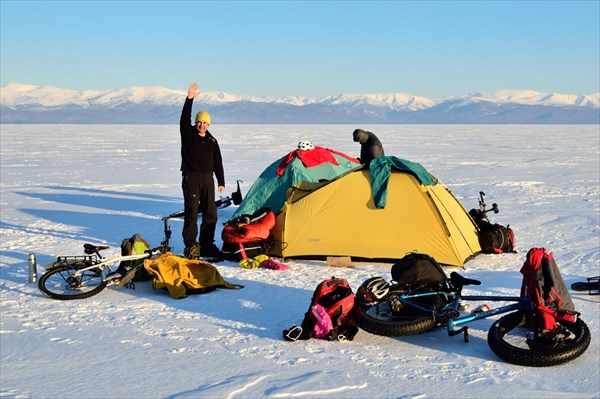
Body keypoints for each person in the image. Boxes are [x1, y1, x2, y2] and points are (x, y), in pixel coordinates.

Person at [179, 82, 225, 259]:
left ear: (208, 124)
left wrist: (221, 181)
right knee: (191, 212)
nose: (202, 125)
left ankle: (206, 245)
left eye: (205, 123)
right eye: (199, 122)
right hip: (192, 177)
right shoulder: (188, 134)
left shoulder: (212, 141)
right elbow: (184, 118)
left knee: (210, 213)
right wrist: (189, 98)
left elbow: (218, 162)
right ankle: (190, 246)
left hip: (208, 179)